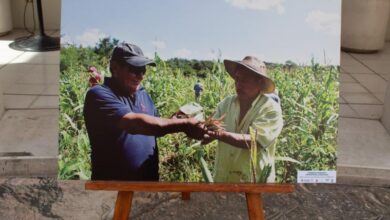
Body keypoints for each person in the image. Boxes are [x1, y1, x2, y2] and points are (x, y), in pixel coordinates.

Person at [83, 43, 205, 181]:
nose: (140, 76)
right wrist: (184, 125)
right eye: (134, 69)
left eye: (143, 70)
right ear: (115, 68)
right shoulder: (99, 94)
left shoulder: (143, 95)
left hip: (148, 184)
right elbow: (135, 124)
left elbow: (154, 126)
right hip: (113, 187)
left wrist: (175, 119)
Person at [202, 56, 283, 183]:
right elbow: (211, 129)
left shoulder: (270, 109)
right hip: (224, 179)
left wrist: (220, 135)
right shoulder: (226, 104)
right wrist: (201, 132)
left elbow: (256, 141)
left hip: (254, 182)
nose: (238, 84)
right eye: (237, 79)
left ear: (260, 83)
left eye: (244, 80)